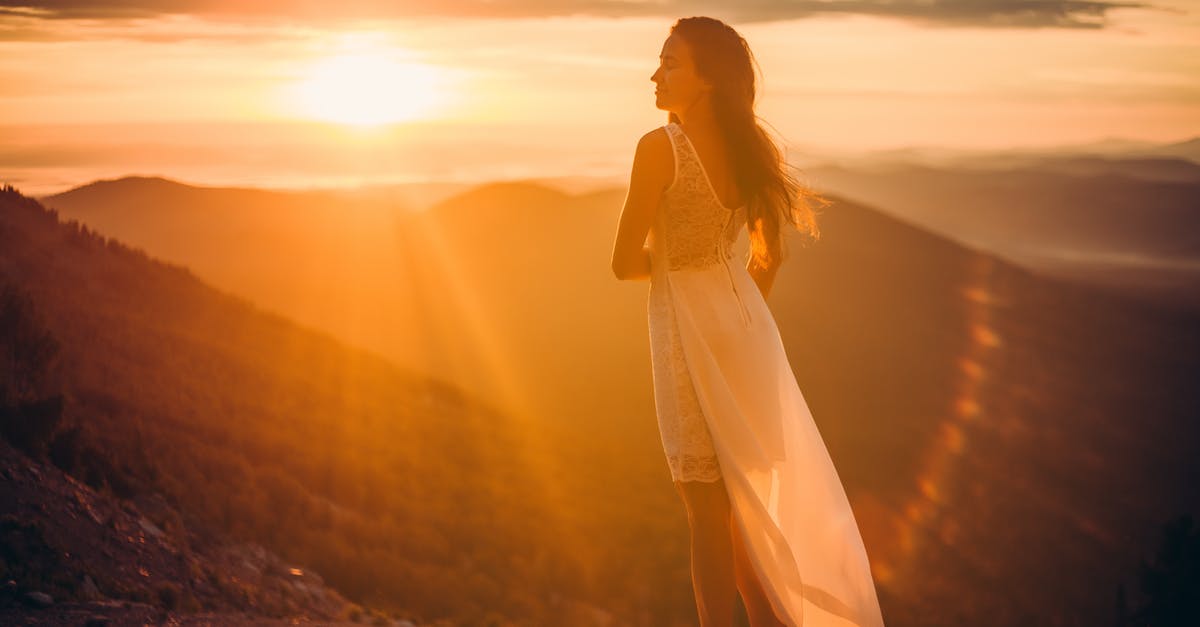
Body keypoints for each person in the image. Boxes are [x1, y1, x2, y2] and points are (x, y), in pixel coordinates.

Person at [610, 16, 887, 627]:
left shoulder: (659, 148)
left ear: (706, 80)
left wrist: (685, 275)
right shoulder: (751, 148)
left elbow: (624, 263)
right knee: (746, 504)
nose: (655, 74)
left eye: (670, 63)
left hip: (685, 327)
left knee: (706, 512)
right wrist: (733, 311)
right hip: (746, 327)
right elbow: (771, 257)